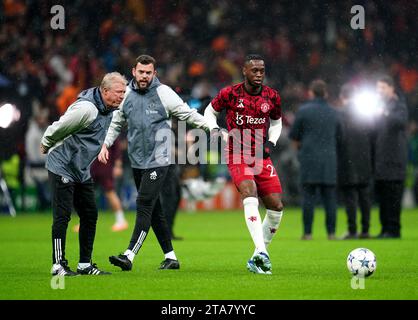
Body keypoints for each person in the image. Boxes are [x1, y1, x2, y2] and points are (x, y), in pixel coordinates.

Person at [101, 55, 213, 271]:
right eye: (141, 72)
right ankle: (171, 258)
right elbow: (116, 123)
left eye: (148, 73)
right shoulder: (126, 96)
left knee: (143, 203)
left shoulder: (164, 93)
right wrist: (105, 144)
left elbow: (188, 114)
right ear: (134, 71)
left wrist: (212, 128)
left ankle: (129, 255)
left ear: (154, 74)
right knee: (155, 211)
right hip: (137, 161)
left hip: (159, 159)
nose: (144, 76)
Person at [204, 54, 284, 275]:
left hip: (261, 155)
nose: (259, 74)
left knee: (276, 207)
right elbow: (209, 111)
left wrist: (270, 141)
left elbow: (276, 123)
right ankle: (262, 252)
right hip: (236, 152)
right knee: (249, 192)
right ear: (245, 71)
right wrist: (213, 128)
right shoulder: (230, 93)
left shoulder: (272, 96)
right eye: (254, 70)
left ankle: (257, 256)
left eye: (262, 70)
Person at [41, 72, 127, 276]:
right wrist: (46, 142)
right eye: (119, 92)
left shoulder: (110, 107)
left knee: (89, 214)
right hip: (62, 163)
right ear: (105, 91)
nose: (122, 96)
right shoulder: (86, 109)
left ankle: (84, 265)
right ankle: (58, 265)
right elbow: (60, 126)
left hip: (81, 168)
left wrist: (103, 146)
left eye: (124, 92)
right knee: (62, 216)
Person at [289, 79, 339, 240]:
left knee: (308, 199)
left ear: (311, 93)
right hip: (329, 160)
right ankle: (331, 233)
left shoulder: (303, 111)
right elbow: (340, 137)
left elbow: (294, 136)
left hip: (309, 160)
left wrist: (301, 153)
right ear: (326, 93)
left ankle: (308, 233)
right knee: (330, 199)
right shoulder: (334, 112)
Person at [373, 76, 408, 239]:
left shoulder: (398, 105)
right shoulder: (379, 106)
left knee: (393, 196)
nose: (379, 91)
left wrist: (384, 113)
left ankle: (394, 230)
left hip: (395, 160)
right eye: (378, 88)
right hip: (381, 160)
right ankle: (384, 229)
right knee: (383, 196)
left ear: (391, 88)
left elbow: (401, 122)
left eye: (382, 88)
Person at [336, 84, 372, 239]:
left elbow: (337, 138)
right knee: (365, 197)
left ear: (342, 97)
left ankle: (352, 230)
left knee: (350, 197)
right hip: (364, 160)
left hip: (346, 160)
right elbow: (373, 136)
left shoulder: (339, 115)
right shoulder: (365, 115)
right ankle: (365, 230)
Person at [72, 139, 128, 232]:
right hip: (91, 164)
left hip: (105, 164)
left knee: (109, 192)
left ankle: (121, 220)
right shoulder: (89, 126)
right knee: (86, 193)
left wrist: (118, 166)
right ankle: (84, 221)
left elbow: (117, 148)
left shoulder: (109, 127)